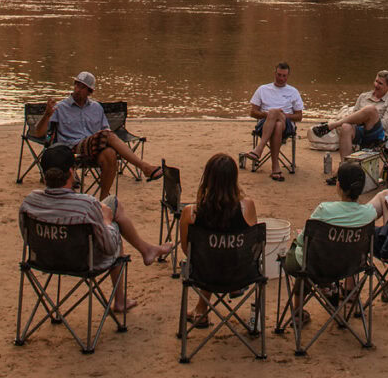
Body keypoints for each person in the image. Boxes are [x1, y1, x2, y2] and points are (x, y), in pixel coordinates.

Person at [20, 145, 174, 314]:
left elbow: (27, 238)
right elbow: (109, 246)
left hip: (44, 258)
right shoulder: (86, 204)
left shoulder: (30, 202)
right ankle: (121, 299)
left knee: (112, 202)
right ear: (72, 172)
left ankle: (147, 250)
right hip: (84, 262)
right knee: (114, 221)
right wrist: (107, 221)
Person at [32, 71, 164, 196]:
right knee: (108, 135)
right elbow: (39, 133)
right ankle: (144, 167)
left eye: (83, 87)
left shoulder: (96, 108)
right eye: (77, 85)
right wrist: (46, 115)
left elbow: (104, 130)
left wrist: (105, 140)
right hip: (71, 147)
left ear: (90, 91)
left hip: (93, 147)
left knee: (110, 154)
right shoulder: (60, 107)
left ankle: (103, 199)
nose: (78, 89)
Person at [179, 153, 260, 328]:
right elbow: (252, 246)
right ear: (234, 179)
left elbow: (187, 250)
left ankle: (201, 311)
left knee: (209, 256)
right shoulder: (247, 206)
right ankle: (205, 307)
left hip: (205, 272)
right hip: (239, 272)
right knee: (220, 256)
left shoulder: (190, 212)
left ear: (207, 178)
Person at [284, 162, 380, 275]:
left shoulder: (324, 210)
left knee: (300, 255)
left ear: (338, 185)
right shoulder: (369, 213)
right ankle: (327, 289)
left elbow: (301, 241)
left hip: (318, 266)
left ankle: (312, 290)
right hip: (350, 266)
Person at [313, 71, 388, 175]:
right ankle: (345, 170)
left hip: (378, 135)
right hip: (361, 131)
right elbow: (352, 118)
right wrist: (361, 119)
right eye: (376, 81)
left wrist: (366, 117)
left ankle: (332, 125)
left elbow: (385, 124)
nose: (376, 85)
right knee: (345, 127)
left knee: (371, 110)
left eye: (380, 83)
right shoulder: (363, 96)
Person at [246, 62, 303, 181]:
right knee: (276, 122)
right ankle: (275, 168)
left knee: (275, 113)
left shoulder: (293, 91)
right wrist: (268, 115)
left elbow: (299, 116)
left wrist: (282, 115)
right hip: (265, 123)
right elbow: (253, 112)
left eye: (284, 76)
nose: (281, 78)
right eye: (279, 75)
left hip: (286, 123)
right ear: (274, 73)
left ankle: (259, 149)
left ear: (288, 76)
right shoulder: (263, 89)